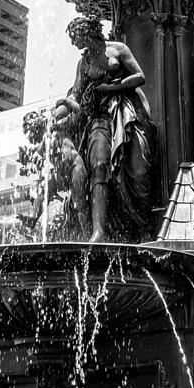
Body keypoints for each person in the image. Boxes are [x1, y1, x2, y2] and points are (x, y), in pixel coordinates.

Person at [56, 16, 156, 242]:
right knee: (99, 164)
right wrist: (57, 112)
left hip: (125, 112)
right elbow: (75, 94)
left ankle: (144, 222)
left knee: (139, 169)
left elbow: (140, 76)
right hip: (99, 118)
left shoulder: (117, 49)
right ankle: (99, 230)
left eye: (75, 37)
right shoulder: (84, 62)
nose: (74, 43)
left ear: (88, 32)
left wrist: (111, 87)